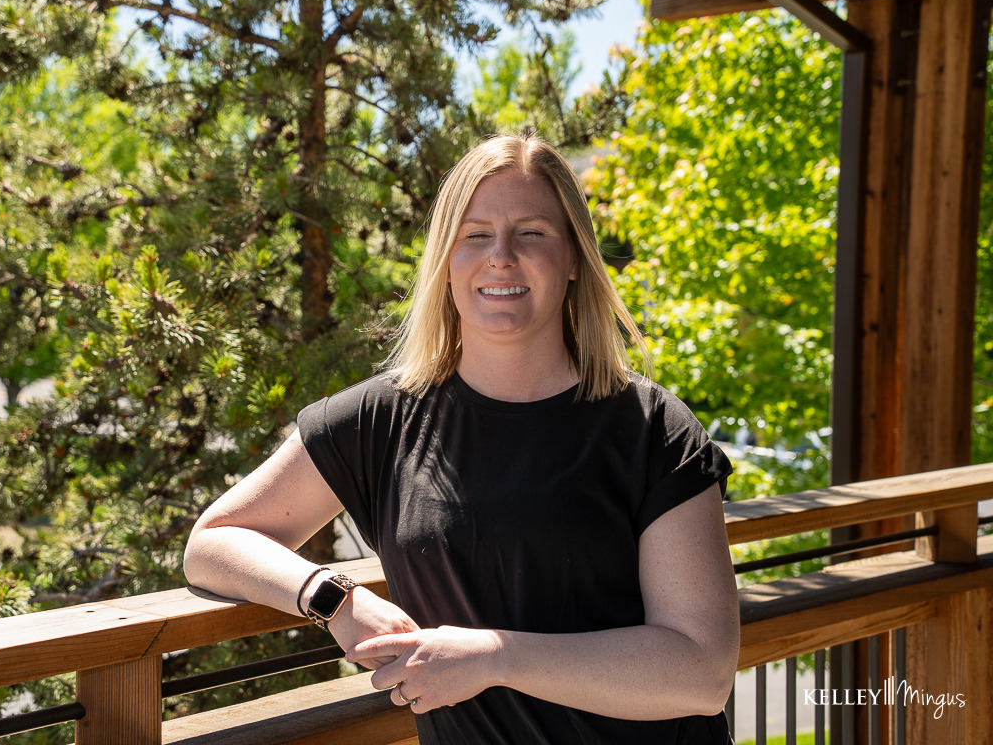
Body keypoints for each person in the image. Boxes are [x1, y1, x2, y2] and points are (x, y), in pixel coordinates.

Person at [184, 133, 740, 744]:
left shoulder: (652, 429)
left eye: (531, 232)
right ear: (445, 261)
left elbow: (701, 671)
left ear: (575, 259)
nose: (500, 255)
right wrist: (332, 599)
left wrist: (496, 657)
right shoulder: (382, 420)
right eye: (475, 235)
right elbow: (213, 543)